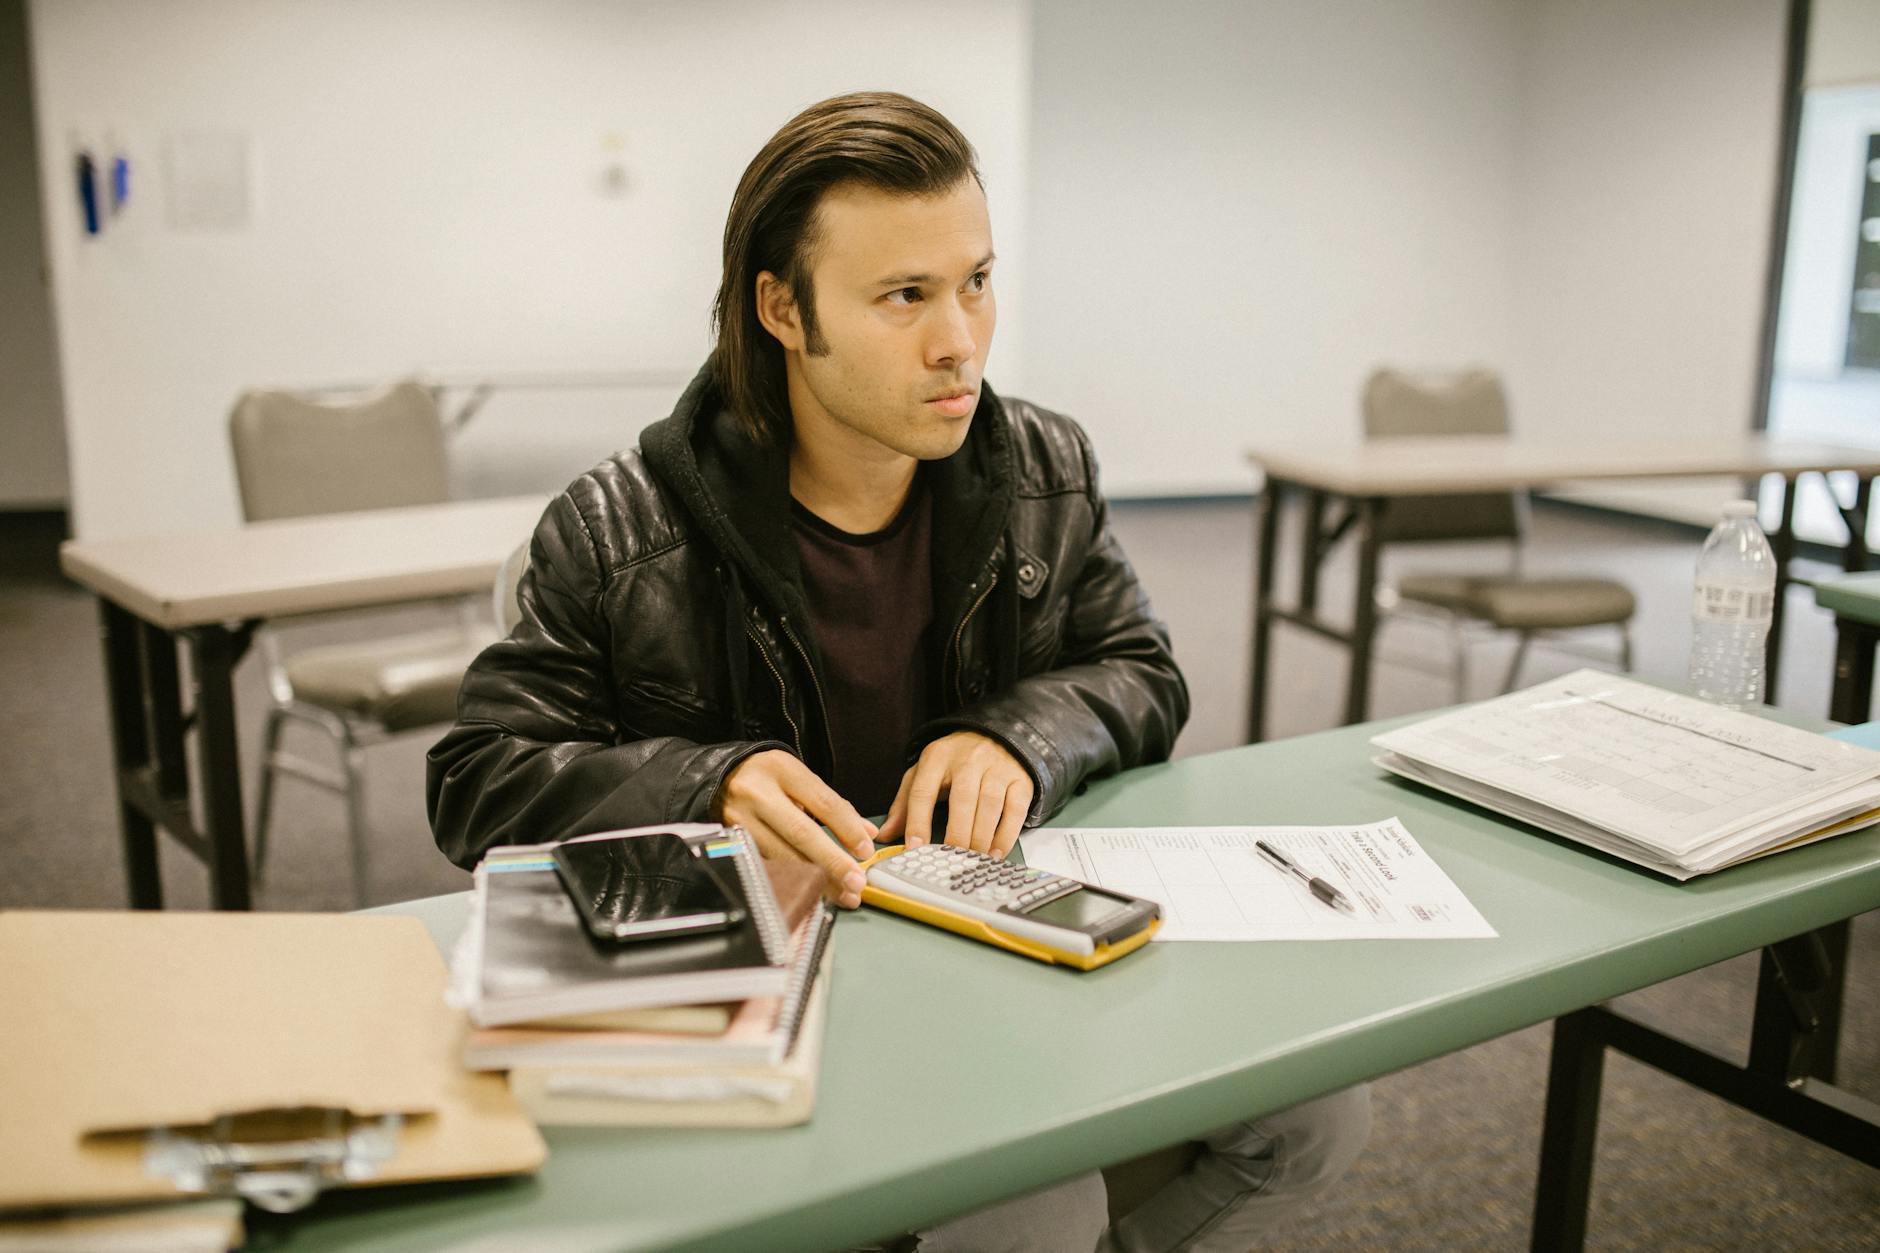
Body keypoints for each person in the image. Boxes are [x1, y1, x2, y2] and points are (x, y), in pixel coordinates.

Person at [428, 90, 1366, 1253]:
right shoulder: (620, 527)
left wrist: (1017, 731)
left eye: (974, 280)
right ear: (781, 308)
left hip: (993, 943)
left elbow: (1137, 667)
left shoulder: (1041, 466)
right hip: (803, 983)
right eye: (903, 296)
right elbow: (478, 776)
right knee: (1036, 1207)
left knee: (1322, 1108)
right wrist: (700, 783)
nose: (959, 340)